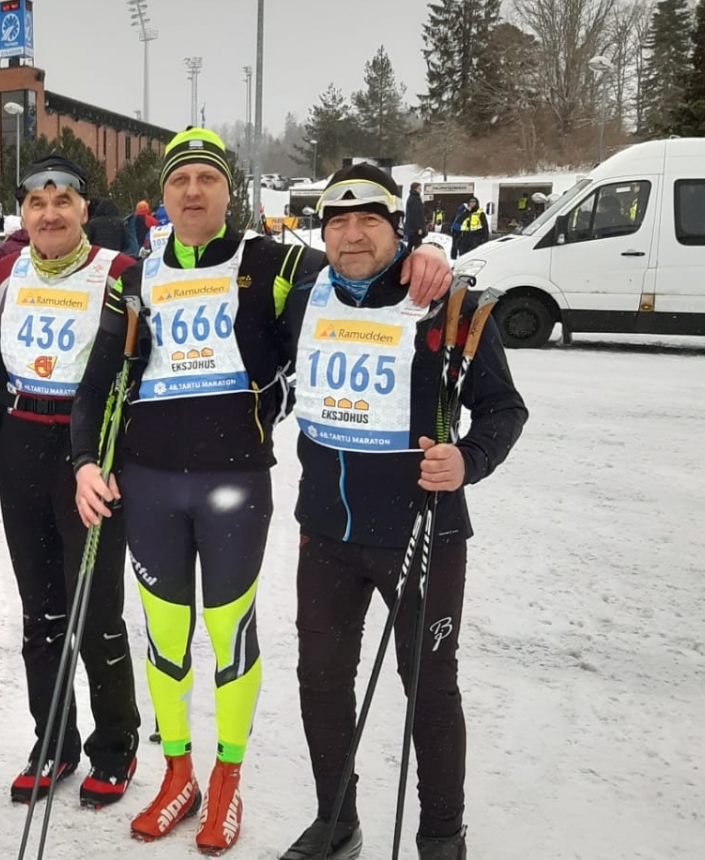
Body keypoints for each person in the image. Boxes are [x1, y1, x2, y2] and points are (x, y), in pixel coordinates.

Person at [70, 129, 452, 854]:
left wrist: (425, 256)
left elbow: (364, 269)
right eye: (180, 178)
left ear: (227, 191)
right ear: (164, 193)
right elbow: (95, 384)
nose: (192, 192)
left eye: (206, 180)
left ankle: (225, 782)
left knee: (228, 632)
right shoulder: (133, 277)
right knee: (166, 638)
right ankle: (177, 770)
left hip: (234, 484)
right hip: (148, 485)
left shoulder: (275, 264)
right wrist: (87, 461)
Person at [275, 163, 527, 860]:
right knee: (320, 681)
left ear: (398, 228)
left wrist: (467, 461)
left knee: (429, 691)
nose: (352, 235)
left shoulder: (447, 305)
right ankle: (337, 820)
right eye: (337, 221)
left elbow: (504, 409)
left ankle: (442, 836)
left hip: (423, 534)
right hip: (326, 531)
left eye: (370, 221)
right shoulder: (303, 295)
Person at [0, 155, 141, 808]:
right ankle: (54, 741)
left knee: (95, 609)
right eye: (36, 202)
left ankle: (116, 745)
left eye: (62, 201)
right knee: (41, 613)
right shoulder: (5, 274)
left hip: (91, 452)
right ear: (22, 213)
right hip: (23, 444)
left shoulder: (118, 273)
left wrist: (110, 453)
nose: (49, 213)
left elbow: (138, 366)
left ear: (83, 211)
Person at [404, 181, 427, 247]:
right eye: (419, 188)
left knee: (411, 245)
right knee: (417, 245)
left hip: (412, 228)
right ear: (414, 189)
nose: (421, 190)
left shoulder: (412, 198)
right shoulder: (415, 199)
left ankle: (409, 256)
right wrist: (419, 228)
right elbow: (415, 215)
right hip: (415, 229)